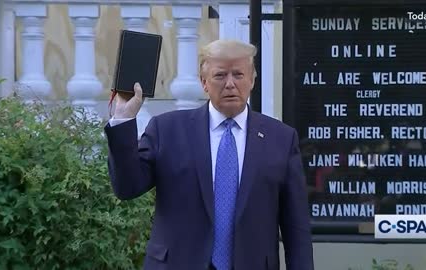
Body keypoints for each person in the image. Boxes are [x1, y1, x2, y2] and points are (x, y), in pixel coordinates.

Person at [104, 39, 314, 270]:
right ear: (204, 82)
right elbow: (127, 187)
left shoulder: (281, 139)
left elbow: (297, 229)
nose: (230, 84)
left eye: (239, 74)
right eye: (220, 75)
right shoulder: (167, 130)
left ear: (252, 80)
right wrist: (123, 120)